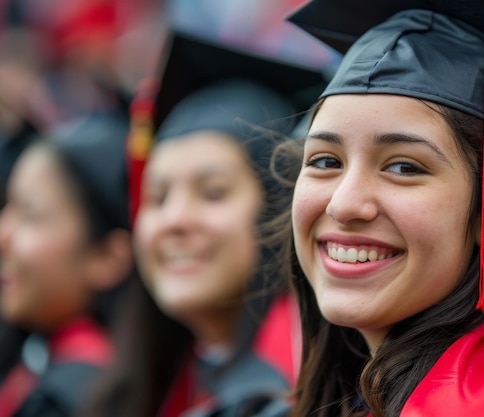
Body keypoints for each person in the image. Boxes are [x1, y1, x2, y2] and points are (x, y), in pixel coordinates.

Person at [270, 0, 484, 416]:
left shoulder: (481, 403)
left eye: (403, 167)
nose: (345, 203)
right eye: (325, 161)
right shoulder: (375, 383)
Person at [83, 30, 326, 417]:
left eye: (213, 192)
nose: (174, 221)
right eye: (158, 198)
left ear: (280, 210)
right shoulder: (154, 383)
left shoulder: (311, 390)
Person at [0, 121, 133, 416]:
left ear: (107, 257)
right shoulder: (39, 360)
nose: (2, 235)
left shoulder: (82, 396)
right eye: (8, 207)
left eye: (30, 216)